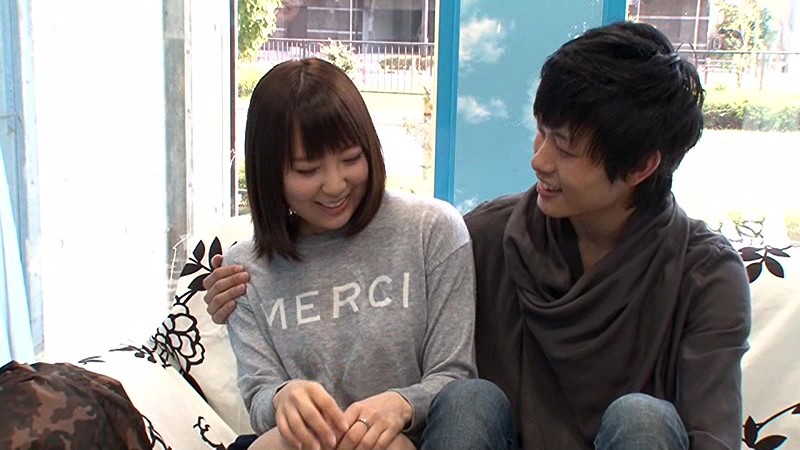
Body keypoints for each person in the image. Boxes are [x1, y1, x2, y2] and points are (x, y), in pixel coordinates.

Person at [206, 23, 751, 449]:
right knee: (472, 401)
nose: (538, 160)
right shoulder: (489, 235)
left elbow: (712, 436)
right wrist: (226, 288)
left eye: (564, 149)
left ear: (639, 167)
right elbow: (383, 268)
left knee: (643, 417)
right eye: (540, 132)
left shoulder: (706, 275)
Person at [217, 57, 515, 450]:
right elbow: (259, 396)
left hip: (419, 442)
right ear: (269, 172)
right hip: (309, 446)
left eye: (351, 159)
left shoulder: (432, 230)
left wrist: (401, 405)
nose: (335, 185)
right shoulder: (244, 272)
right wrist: (282, 398)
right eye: (307, 170)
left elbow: (454, 374)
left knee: (476, 399)